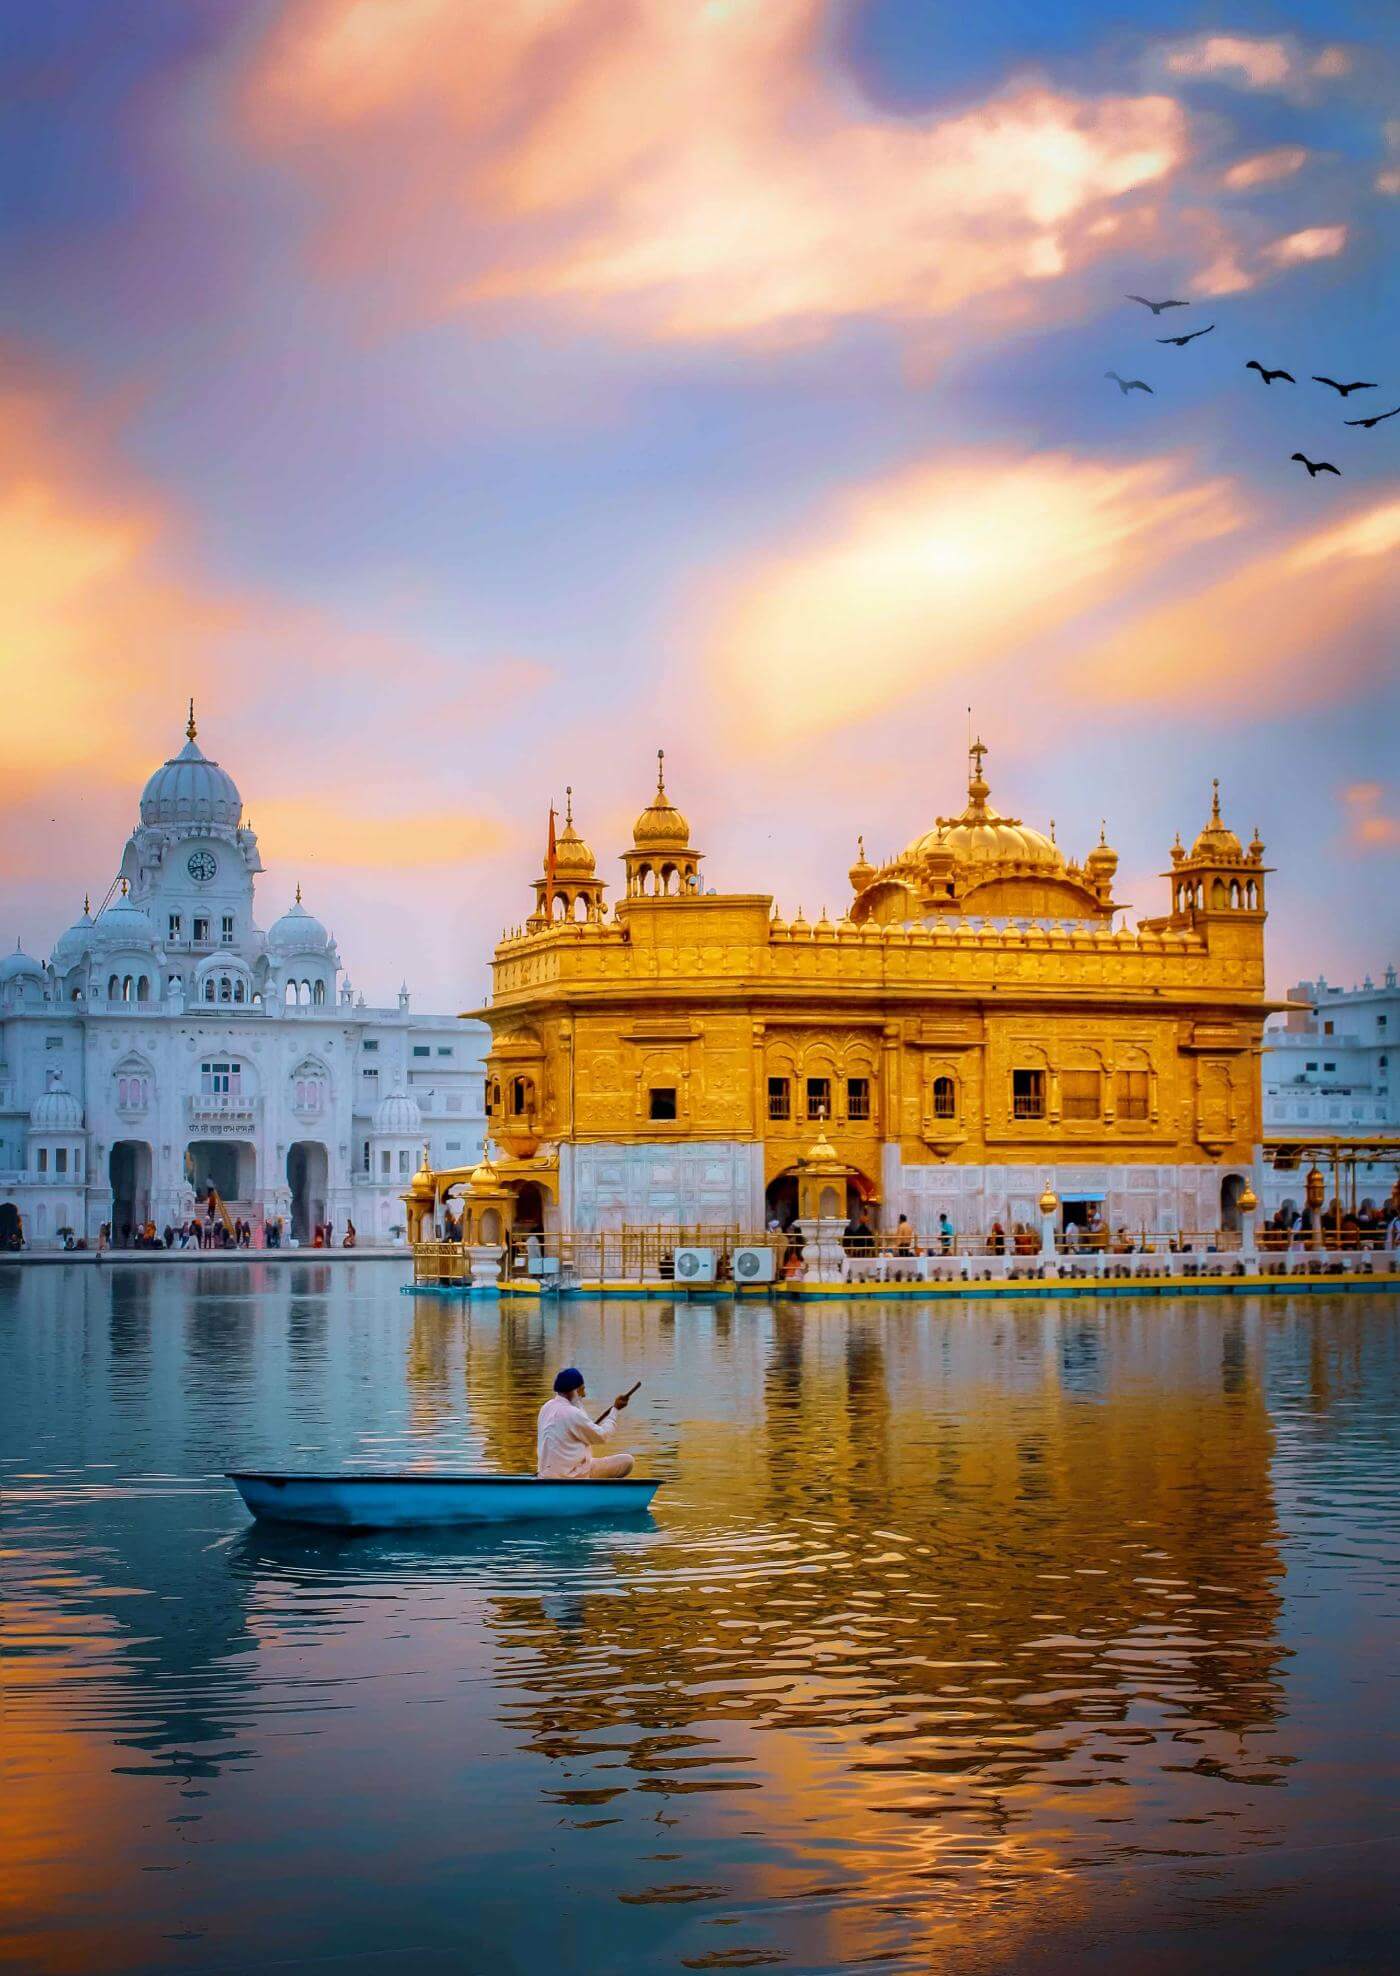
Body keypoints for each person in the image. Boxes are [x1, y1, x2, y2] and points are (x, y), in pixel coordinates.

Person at [537, 1368, 634, 1480]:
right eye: (582, 1390)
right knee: (627, 1461)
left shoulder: (546, 1408)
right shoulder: (572, 1413)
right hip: (572, 1475)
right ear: (574, 1391)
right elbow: (603, 1436)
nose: (584, 1395)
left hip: (545, 1474)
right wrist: (615, 1410)